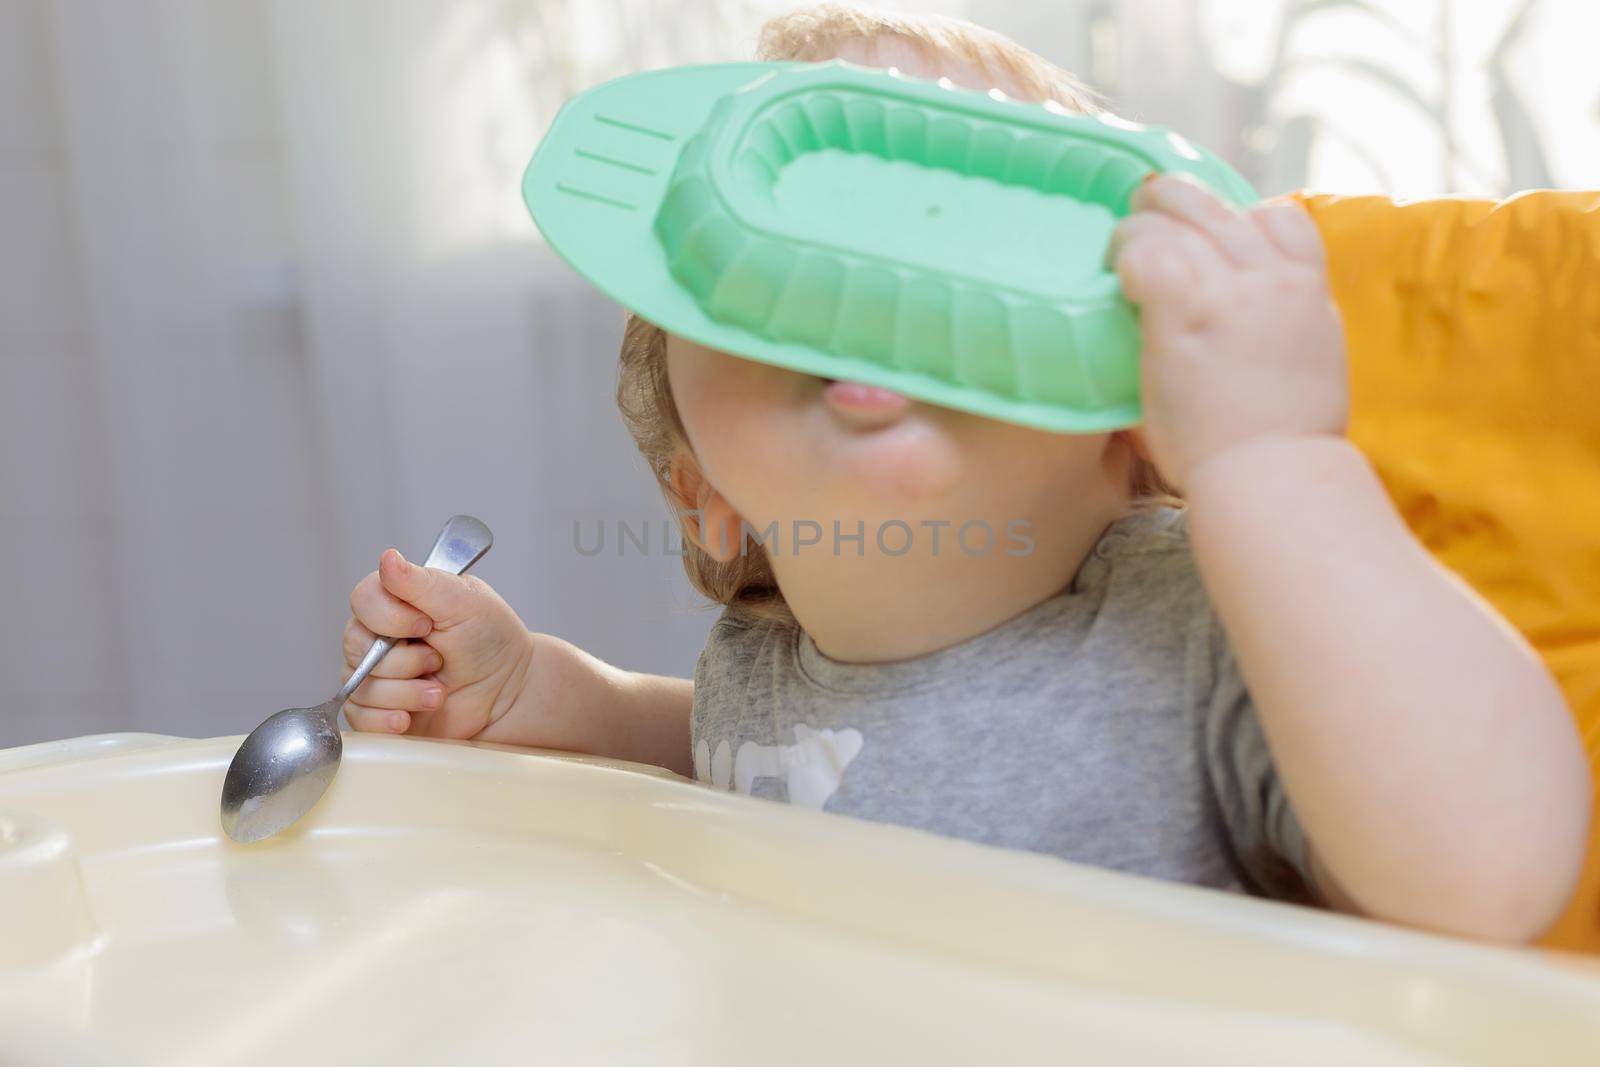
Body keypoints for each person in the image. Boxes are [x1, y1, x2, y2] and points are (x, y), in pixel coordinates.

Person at [339, 5, 1590, 943]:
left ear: (1125, 427)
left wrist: (1274, 460)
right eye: (800, 221)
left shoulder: (1199, 624)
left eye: (966, 222)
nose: (876, 276)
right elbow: (743, 750)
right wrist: (553, 697)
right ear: (701, 489)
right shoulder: (762, 672)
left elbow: (1490, 871)